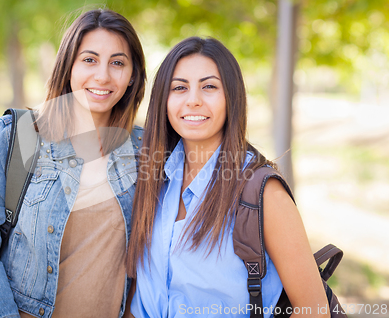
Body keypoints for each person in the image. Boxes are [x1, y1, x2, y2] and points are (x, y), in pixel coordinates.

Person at [0, 8, 146, 318]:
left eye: (118, 63)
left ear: (132, 76)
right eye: (89, 60)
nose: (103, 75)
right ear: (68, 65)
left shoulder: (146, 148)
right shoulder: (16, 136)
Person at [125, 37, 329, 318]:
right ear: (164, 98)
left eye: (209, 86)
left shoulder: (262, 193)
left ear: (231, 97)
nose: (193, 100)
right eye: (179, 87)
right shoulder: (152, 179)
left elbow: (314, 311)